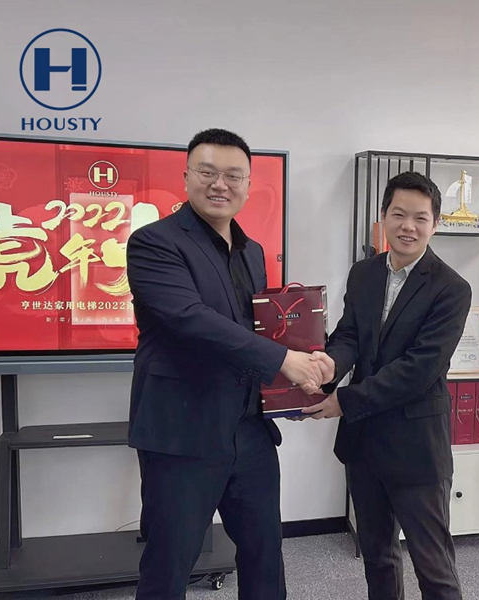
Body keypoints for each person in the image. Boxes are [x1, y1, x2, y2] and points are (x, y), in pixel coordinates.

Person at [126, 128, 323, 600]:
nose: (220, 185)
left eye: (234, 176)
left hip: (249, 430)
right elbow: (190, 319)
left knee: (264, 556)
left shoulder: (252, 251)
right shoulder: (153, 243)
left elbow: (255, 331)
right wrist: (283, 359)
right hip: (182, 433)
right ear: (187, 177)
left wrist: (299, 370)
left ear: (248, 185)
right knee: (169, 565)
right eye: (208, 172)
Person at [305, 171, 472, 600]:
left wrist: (345, 400)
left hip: (416, 448)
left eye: (420, 218)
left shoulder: (451, 288)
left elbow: (420, 369)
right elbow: (349, 336)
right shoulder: (363, 273)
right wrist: (329, 364)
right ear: (383, 217)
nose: (408, 226)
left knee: (434, 568)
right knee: (377, 559)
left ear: (435, 224)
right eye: (398, 214)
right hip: (364, 444)